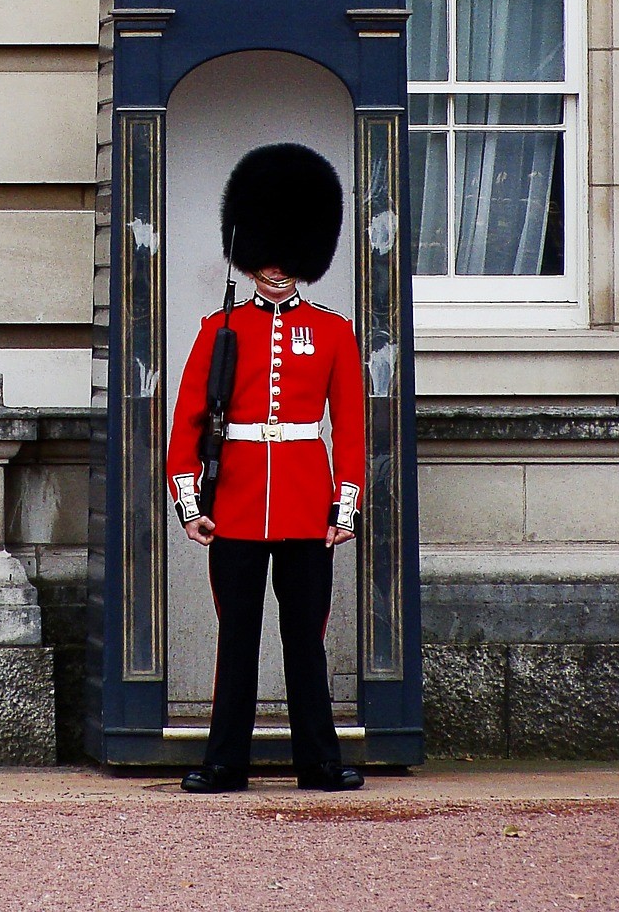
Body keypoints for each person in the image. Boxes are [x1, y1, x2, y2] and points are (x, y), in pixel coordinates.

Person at [166, 142, 366, 795]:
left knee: (305, 640)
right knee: (239, 639)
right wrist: (192, 506)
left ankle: (319, 761)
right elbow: (187, 424)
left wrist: (345, 507)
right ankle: (227, 761)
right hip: (239, 506)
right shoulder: (217, 329)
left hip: (307, 506)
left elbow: (352, 427)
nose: (277, 270)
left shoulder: (333, 332)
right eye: (266, 257)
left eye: (288, 257)